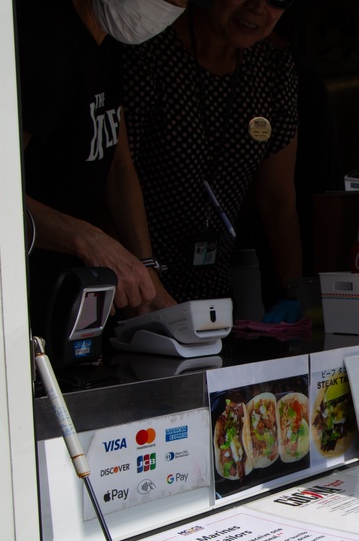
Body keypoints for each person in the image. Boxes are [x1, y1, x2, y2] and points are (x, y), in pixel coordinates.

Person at [116, 0, 301, 311]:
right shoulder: (146, 50)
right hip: (133, 285)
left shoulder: (273, 69)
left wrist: (294, 293)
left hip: (214, 292)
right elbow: (116, 172)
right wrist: (144, 275)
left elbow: (278, 199)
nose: (257, 6)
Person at [17, 0, 187, 337]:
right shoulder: (44, 47)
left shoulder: (107, 43)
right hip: (25, 285)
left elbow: (118, 167)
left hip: (77, 285)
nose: (169, 7)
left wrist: (144, 266)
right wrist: (89, 239)